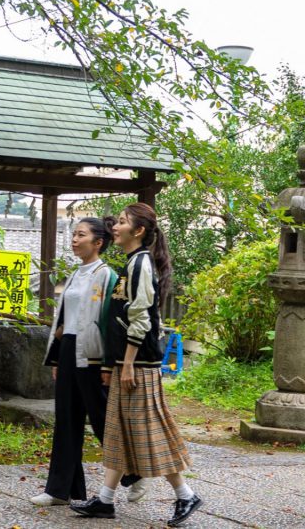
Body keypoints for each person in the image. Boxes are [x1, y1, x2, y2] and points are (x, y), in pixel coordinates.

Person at [70, 203, 203, 527]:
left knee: (148, 432)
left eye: (124, 222)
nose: (115, 226)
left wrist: (127, 364)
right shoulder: (132, 263)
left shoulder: (141, 263)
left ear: (138, 231)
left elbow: (142, 317)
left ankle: (185, 495)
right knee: (117, 431)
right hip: (125, 363)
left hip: (138, 364)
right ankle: (104, 499)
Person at [31, 217, 147, 506]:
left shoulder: (106, 275)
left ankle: (134, 473)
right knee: (66, 420)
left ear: (98, 242)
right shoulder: (76, 274)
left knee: (102, 420)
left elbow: (111, 321)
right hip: (70, 349)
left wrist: (109, 364)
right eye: (73, 234)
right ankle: (62, 490)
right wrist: (57, 356)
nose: (74, 239)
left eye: (80, 235)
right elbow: (64, 320)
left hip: (94, 356)